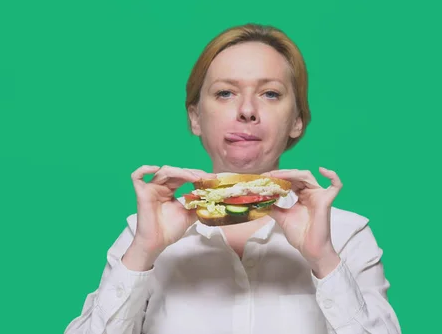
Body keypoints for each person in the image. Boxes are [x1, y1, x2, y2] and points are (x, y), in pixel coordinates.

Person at [64, 23, 401, 334]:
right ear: (195, 117)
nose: (247, 110)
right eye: (225, 93)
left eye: (270, 93)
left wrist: (324, 260)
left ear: (297, 120)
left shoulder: (345, 236)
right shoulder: (141, 234)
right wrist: (142, 254)